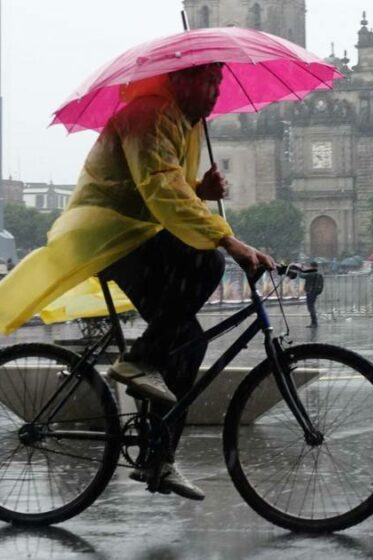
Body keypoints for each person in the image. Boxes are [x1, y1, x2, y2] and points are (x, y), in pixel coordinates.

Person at [0, 63, 276, 501]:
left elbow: (168, 186)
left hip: (136, 233)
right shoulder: (148, 114)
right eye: (210, 81)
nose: (215, 92)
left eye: (219, 83)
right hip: (107, 234)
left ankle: (158, 459)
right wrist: (230, 241)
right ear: (182, 80)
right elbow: (161, 189)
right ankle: (137, 362)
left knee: (188, 342)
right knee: (207, 265)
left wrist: (200, 190)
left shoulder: (180, 123)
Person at [301, 260, 323, 328]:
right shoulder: (319, 274)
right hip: (315, 292)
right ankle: (314, 322)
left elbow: (301, 275)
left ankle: (314, 323)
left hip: (310, 292)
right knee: (312, 306)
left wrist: (301, 268)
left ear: (312, 266)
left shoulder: (311, 274)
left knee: (311, 307)